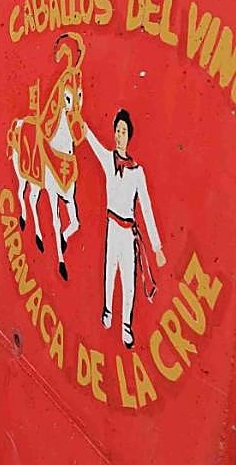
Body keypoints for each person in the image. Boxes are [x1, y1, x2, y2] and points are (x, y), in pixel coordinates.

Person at [83, 109, 166, 349]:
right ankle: (107, 310)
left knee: (128, 282)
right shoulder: (109, 160)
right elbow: (92, 142)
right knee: (110, 272)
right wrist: (79, 117)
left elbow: (147, 208)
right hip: (112, 226)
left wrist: (157, 247)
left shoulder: (137, 172)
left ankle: (126, 327)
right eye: (117, 131)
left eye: (124, 131)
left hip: (129, 232)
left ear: (129, 136)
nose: (120, 135)